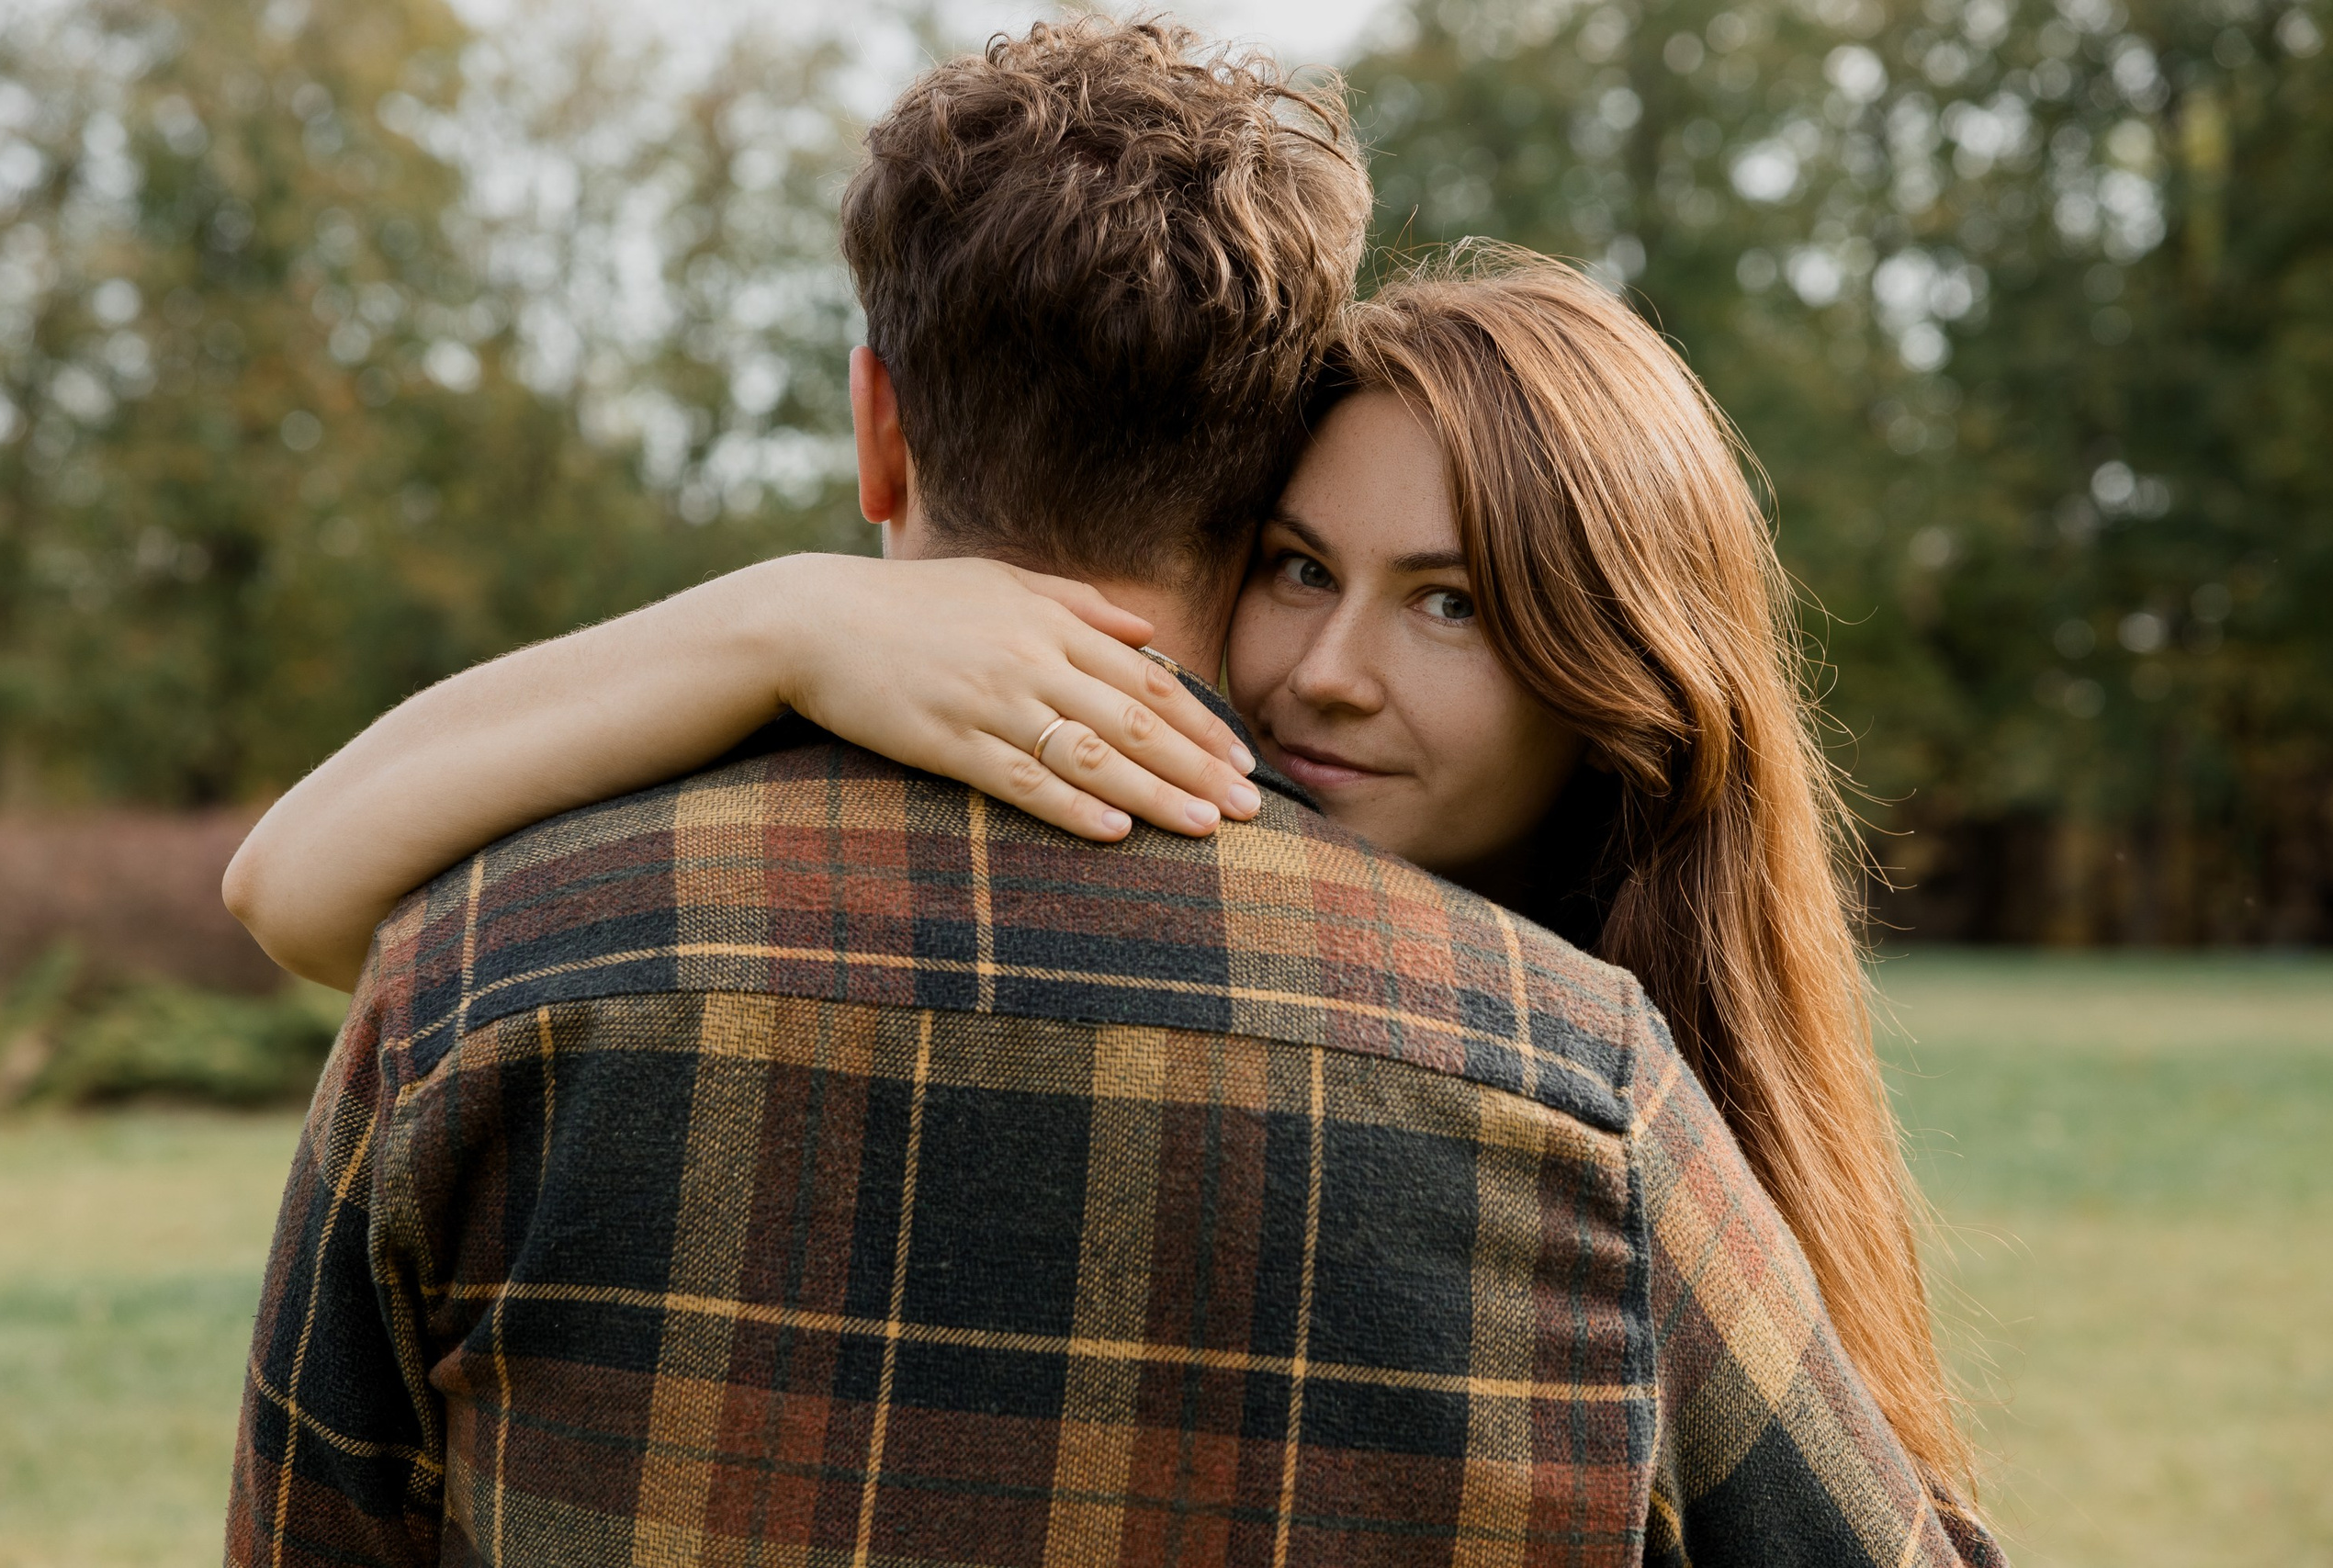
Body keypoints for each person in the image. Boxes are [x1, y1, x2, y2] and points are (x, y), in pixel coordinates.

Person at [226, 21, 2001, 1568]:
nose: (1335, 672)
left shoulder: (487, 979)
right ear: (1256, 475)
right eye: (1310, 571)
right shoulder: (1581, 1090)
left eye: (1449, 603)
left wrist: (770, 619)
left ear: (878, 426)